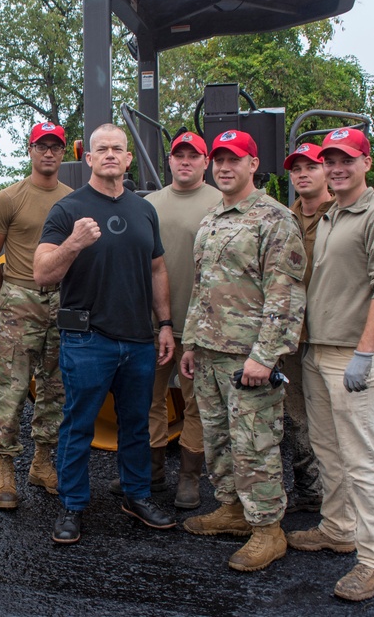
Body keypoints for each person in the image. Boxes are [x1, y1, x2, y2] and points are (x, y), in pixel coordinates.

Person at [34, 123, 177, 544]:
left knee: (136, 425)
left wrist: (165, 323)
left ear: (128, 158)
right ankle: (72, 506)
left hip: (138, 340)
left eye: (118, 148)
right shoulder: (68, 209)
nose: (111, 155)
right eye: (102, 149)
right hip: (87, 339)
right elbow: (42, 272)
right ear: (89, 158)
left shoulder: (144, 209)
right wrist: (74, 243)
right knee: (77, 425)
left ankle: (136, 496)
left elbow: (157, 269)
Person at [287, 128, 374, 602]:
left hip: (352, 356)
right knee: (327, 449)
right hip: (319, 350)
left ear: (366, 163)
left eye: (346, 160)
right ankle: (338, 529)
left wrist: (365, 352)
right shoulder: (335, 212)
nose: (337, 168)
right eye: (331, 160)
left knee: (363, 461)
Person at [179, 129, 306, 572]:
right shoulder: (214, 216)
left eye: (235, 159)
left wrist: (265, 356)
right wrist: (192, 342)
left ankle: (268, 530)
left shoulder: (274, 218)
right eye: (219, 160)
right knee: (218, 439)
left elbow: (284, 295)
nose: (225, 167)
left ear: (254, 164)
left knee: (255, 443)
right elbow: (202, 286)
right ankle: (232, 510)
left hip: (248, 356)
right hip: (211, 351)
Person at [0, 122, 72, 509]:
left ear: (64, 153)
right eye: (41, 146)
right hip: (20, 295)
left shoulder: (73, 199)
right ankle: (5, 469)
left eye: (55, 147)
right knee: (12, 386)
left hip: (63, 300)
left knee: (55, 386)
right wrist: (9, 294)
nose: (48, 153)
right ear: (30, 150)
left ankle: (42, 462)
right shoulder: (9, 198)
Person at [140, 131, 222, 509]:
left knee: (197, 404)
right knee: (148, 399)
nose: (185, 161)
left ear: (206, 162)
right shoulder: (148, 204)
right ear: (169, 161)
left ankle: (189, 478)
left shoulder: (221, 202)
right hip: (153, 324)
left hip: (200, 327)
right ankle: (151, 471)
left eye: (194, 155)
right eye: (178, 155)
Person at [281, 142, 335, 514]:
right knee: (296, 417)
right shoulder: (284, 218)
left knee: (334, 420)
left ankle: (340, 501)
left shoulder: (345, 215)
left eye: (311, 167)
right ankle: (309, 491)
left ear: (327, 171)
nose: (302, 174)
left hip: (334, 334)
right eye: (296, 168)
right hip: (294, 334)